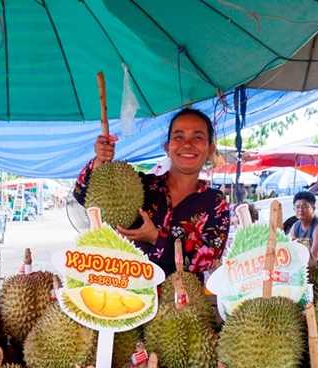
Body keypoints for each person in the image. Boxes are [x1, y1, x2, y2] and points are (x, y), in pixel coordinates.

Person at [74, 108, 230, 279]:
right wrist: (100, 161)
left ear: (210, 150)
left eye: (197, 137)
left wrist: (156, 239)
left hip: (182, 300)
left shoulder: (215, 202)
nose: (187, 143)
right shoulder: (142, 185)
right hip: (127, 292)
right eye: (179, 136)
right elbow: (83, 195)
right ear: (167, 147)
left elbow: (208, 257)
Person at [290, 191, 318, 263]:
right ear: (294, 209)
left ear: (313, 208)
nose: (300, 210)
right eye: (297, 207)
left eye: (305, 206)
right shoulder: (295, 226)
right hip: (305, 267)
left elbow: (314, 259)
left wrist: (300, 244)